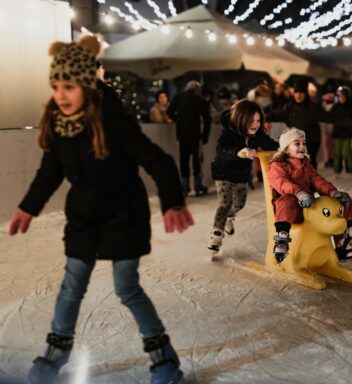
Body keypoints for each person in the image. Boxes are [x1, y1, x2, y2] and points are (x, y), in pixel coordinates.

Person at [8, 35, 194, 384]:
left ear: (87, 86)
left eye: (69, 86)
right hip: (84, 217)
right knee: (71, 285)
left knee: (126, 287)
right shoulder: (59, 126)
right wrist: (27, 208)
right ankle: (54, 354)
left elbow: (159, 160)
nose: (61, 94)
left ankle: (163, 358)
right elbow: (49, 173)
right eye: (56, 86)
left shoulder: (114, 121)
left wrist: (172, 202)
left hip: (124, 214)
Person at [268, 128, 352, 264]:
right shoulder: (278, 165)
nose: (302, 146)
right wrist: (298, 192)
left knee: (341, 199)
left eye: (304, 143)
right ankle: (282, 238)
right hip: (289, 210)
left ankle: (342, 241)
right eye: (297, 143)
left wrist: (332, 192)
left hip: (308, 205)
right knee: (287, 201)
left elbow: (317, 181)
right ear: (286, 149)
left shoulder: (306, 165)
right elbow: (281, 182)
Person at [209, 99, 278, 256]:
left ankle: (229, 217)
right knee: (225, 202)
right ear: (241, 119)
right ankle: (217, 233)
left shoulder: (257, 133)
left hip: (241, 174)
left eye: (258, 120)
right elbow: (221, 150)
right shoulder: (228, 131)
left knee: (240, 203)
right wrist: (238, 152)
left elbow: (270, 145)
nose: (255, 124)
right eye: (251, 120)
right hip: (223, 171)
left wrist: (288, 146)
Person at [267, 79, 340, 169]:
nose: (299, 95)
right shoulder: (288, 108)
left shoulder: (313, 107)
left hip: (312, 140)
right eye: (297, 92)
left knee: (309, 163)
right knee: (297, 165)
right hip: (295, 141)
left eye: (301, 92)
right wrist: (259, 118)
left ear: (305, 94)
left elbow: (330, 117)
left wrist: (350, 121)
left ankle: (310, 181)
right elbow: (274, 115)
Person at [167, 80, 212, 196]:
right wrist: (206, 135)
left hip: (182, 134)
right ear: (197, 90)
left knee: (184, 159)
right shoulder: (200, 100)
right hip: (195, 134)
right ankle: (198, 187)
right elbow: (207, 119)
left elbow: (169, 111)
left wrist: (179, 120)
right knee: (196, 159)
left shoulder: (178, 97)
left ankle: (185, 187)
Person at [331, 86, 352, 175]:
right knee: (337, 153)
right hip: (337, 133)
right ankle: (337, 169)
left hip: (347, 133)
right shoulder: (335, 107)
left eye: (343, 97)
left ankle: (351, 168)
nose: (341, 98)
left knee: (346, 152)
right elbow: (331, 118)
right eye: (340, 96)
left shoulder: (351, 107)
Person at [320, 91, 336, 168]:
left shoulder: (331, 107)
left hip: (330, 128)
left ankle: (331, 160)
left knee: (330, 144)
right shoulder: (329, 107)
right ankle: (330, 159)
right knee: (328, 145)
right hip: (327, 127)